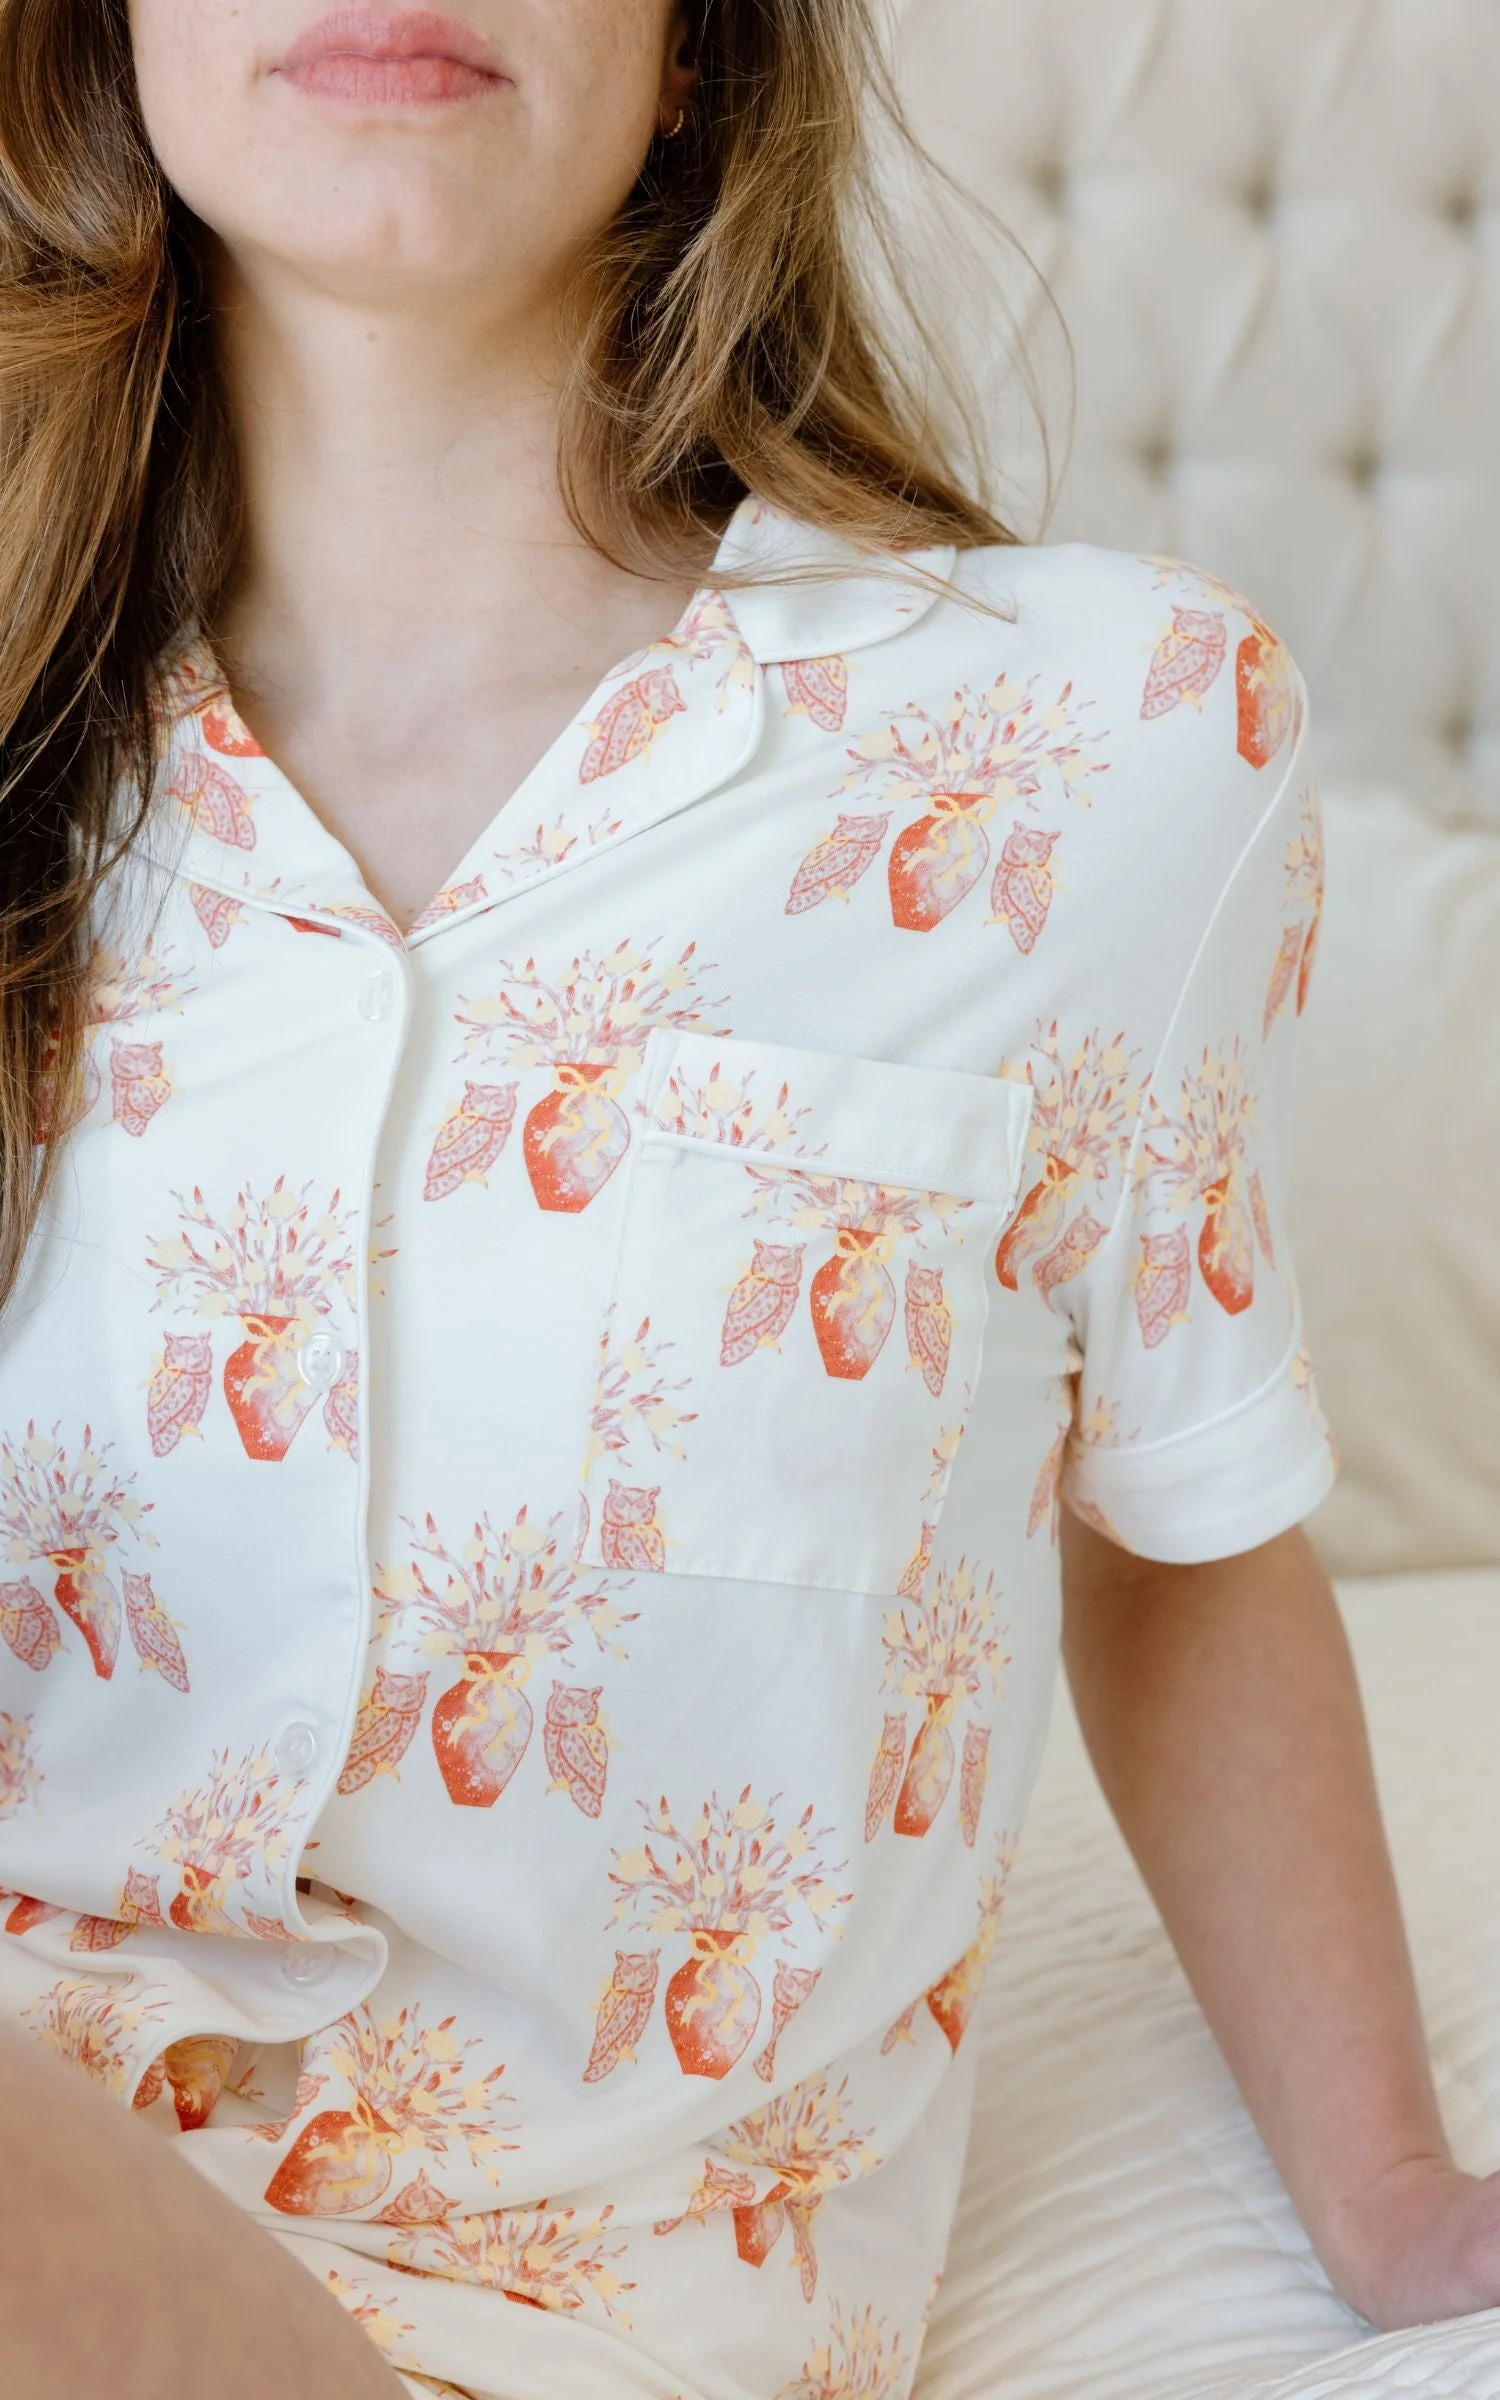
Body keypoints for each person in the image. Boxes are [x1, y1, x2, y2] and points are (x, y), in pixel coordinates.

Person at [0, 5, 1495, 2397]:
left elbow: (1182, 1522)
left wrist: (1400, 2203)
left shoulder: (1096, 756)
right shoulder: (32, 766)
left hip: (539, 2322)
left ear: (693, 51)